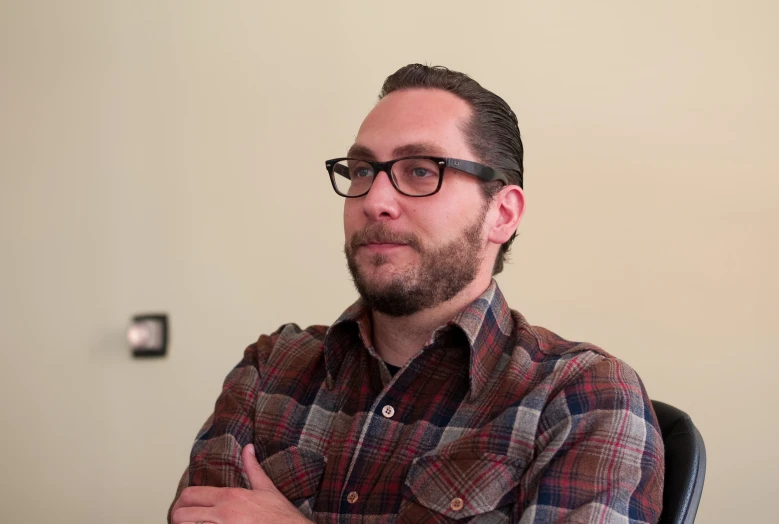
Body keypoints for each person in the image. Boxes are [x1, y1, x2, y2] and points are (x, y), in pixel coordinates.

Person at [169, 64, 664, 524]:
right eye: (363, 171)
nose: (375, 201)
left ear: (503, 214)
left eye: (421, 171)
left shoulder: (582, 397)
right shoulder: (271, 370)